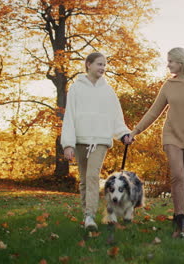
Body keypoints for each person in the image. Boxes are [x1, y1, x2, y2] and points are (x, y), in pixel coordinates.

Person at [128, 47, 184, 238]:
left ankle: (178, 214)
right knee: (177, 175)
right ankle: (181, 218)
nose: (167, 64)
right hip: (172, 135)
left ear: (181, 61)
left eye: (170, 61)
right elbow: (154, 112)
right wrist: (135, 130)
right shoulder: (168, 85)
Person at [61, 52, 131, 231]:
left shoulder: (108, 91)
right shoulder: (76, 89)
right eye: (99, 64)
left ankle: (90, 216)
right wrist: (68, 143)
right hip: (80, 140)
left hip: (100, 140)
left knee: (92, 176)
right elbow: (69, 116)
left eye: (104, 65)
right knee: (84, 180)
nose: (102, 68)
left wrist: (123, 133)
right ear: (88, 65)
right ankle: (87, 214)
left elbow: (116, 116)